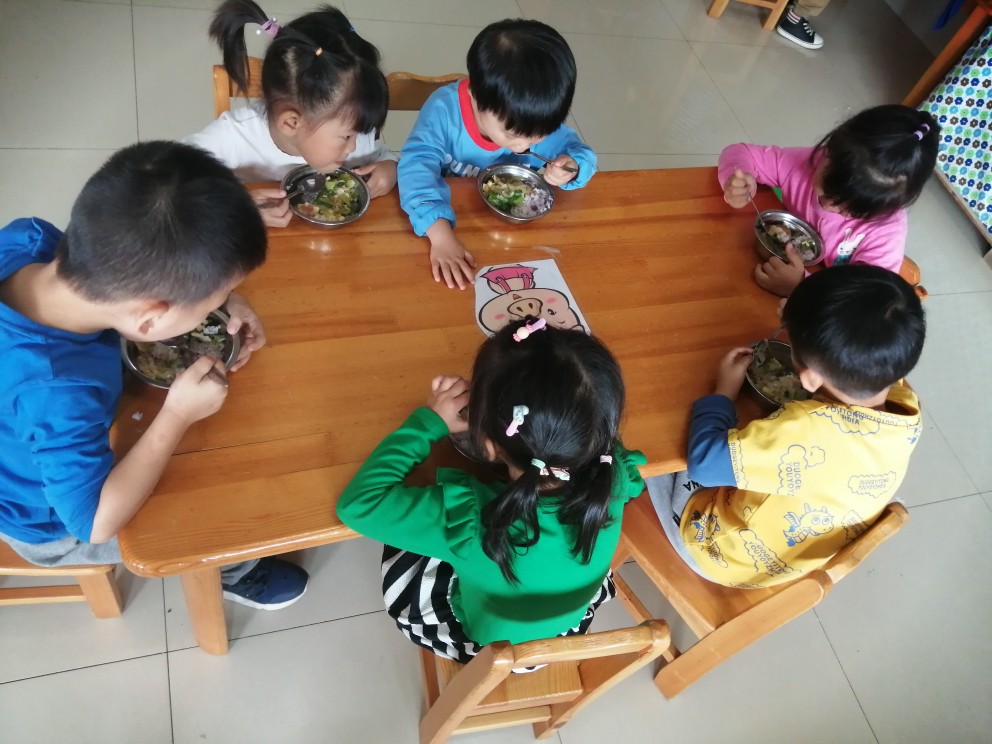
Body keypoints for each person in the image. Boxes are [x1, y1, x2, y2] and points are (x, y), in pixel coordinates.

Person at [0, 141, 308, 610]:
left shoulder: (29, 240)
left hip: (35, 432)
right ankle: (235, 569)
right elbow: (95, 522)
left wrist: (222, 299)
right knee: (207, 511)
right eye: (212, 301)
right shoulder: (57, 391)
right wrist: (177, 415)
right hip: (46, 524)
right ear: (149, 320)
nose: (221, 303)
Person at [336, 320, 645, 662]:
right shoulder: (612, 473)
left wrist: (430, 422)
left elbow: (358, 506)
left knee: (409, 543)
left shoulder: (470, 523)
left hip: (489, 646)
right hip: (564, 630)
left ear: (486, 444)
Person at [647, 265, 925, 588]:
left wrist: (723, 392)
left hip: (717, 550)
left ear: (810, 378)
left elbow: (705, 463)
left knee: (653, 432)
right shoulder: (906, 404)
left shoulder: (805, 430)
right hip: (786, 559)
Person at [398, 19, 597, 291]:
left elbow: (583, 156)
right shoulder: (443, 112)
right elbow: (414, 168)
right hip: (447, 222)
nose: (523, 146)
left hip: (511, 239)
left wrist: (572, 167)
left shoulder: (533, 120)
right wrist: (440, 234)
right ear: (476, 96)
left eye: (538, 136)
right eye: (513, 134)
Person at [186, 1, 395, 228]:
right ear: (292, 123)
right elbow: (168, 183)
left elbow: (384, 155)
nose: (354, 147)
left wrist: (391, 168)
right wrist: (240, 209)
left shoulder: (353, 137)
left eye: (359, 132)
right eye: (347, 136)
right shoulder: (235, 136)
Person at [719, 104, 940, 297]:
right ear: (828, 153)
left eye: (850, 211)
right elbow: (741, 152)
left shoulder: (885, 233)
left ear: (887, 208)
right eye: (826, 192)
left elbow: (861, 302)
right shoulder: (808, 163)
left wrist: (800, 286)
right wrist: (738, 178)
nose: (828, 206)